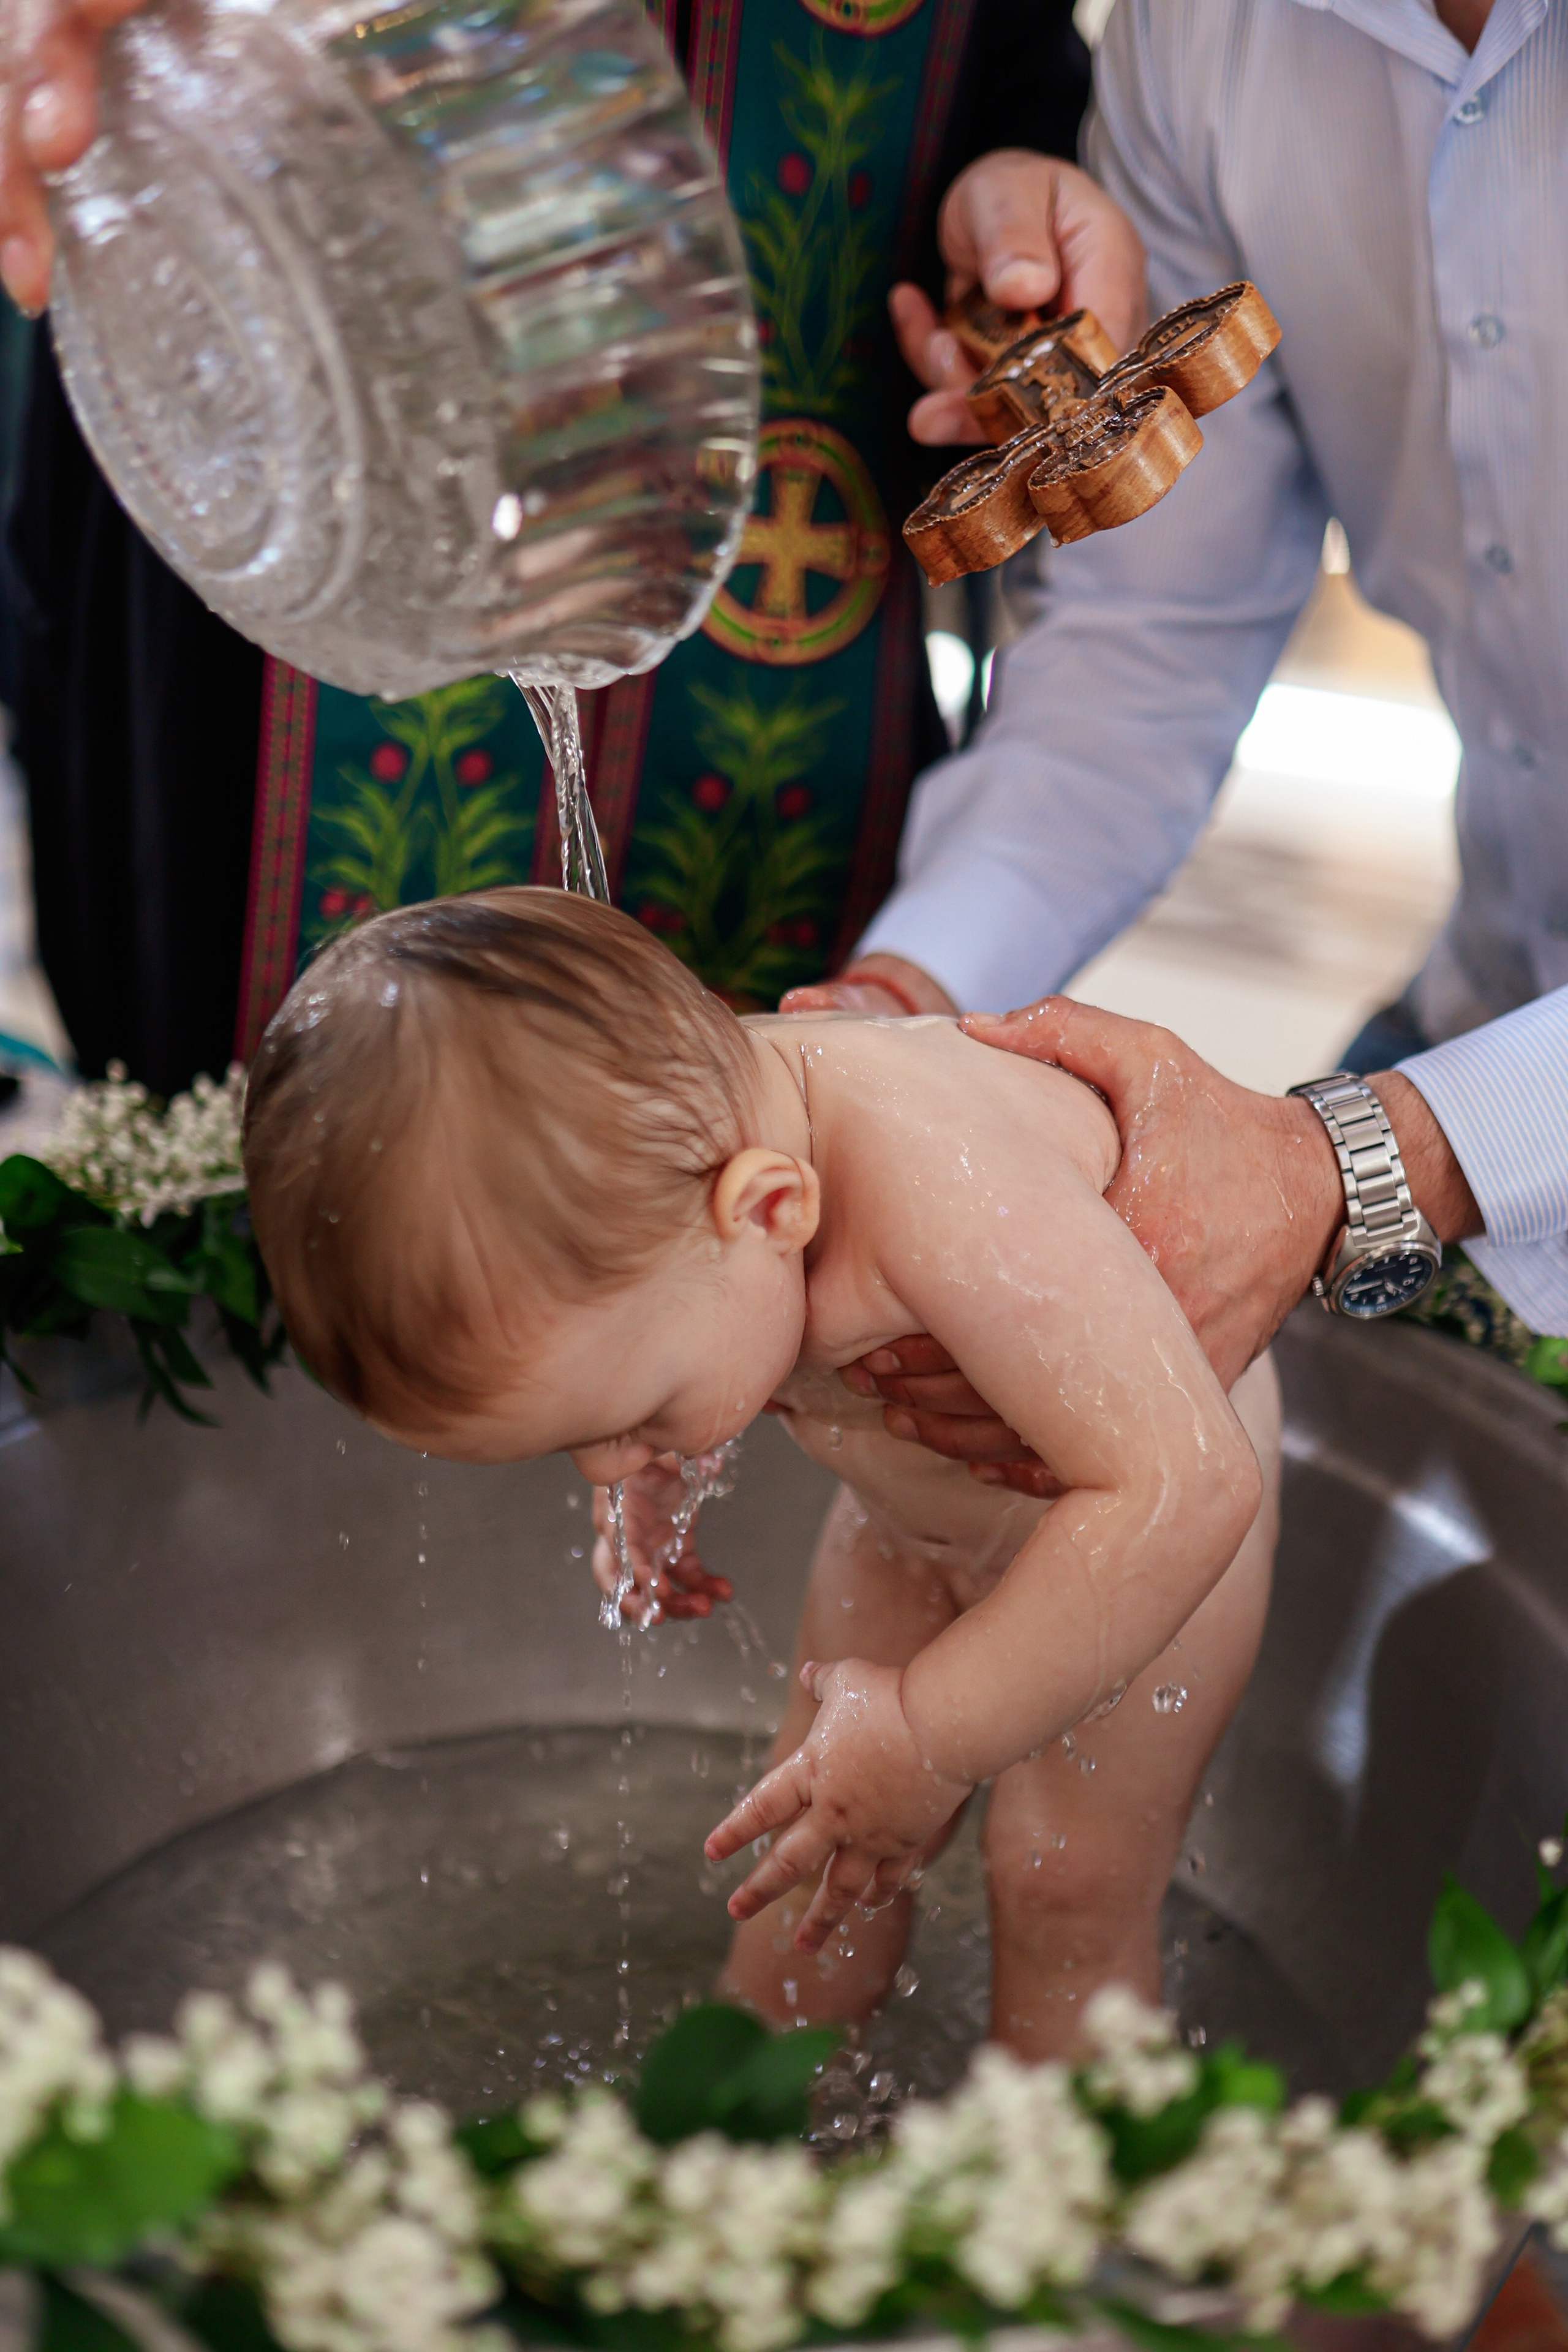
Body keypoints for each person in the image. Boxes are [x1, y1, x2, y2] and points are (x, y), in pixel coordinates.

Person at [0, 0, 1139, 1102]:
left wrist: (1011, 196)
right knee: (277, 1172)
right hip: (294, 470)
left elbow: (1008, 68)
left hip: (796, 534)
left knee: (767, 1141)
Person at [239, 887, 1278, 2056]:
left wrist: (933, 1736)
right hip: (911, 1523)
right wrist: (658, 1466)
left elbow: (1186, 1488)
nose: (611, 1459)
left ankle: (1057, 2196)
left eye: (637, 1417)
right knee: (818, 1824)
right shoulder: (697, 1206)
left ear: (770, 1208)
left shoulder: (946, 1189)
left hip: (1140, 1552)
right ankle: (753, 2121)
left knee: (1064, 1881)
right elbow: (709, 1327)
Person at [788, 0, 1568, 1484]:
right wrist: (902, 1004)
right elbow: (1150, 644)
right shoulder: (1206, 31)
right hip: (1477, 1015)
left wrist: (1343, 1165)